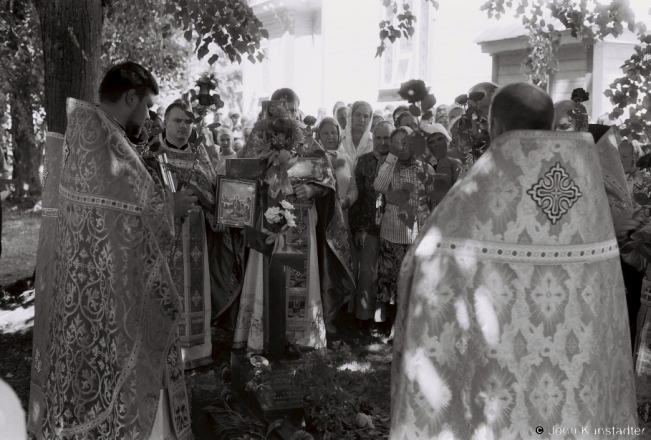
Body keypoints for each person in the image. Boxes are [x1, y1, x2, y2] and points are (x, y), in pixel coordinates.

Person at [390, 82, 637, 438]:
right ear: (549, 123)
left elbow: (424, 258)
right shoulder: (585, 189)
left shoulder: (482, 191)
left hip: (497, 395)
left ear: (496, 128)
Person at [29, 61, 192, 440]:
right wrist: (171, 207)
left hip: (85, 285)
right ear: (131, 97)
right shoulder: (108, 146)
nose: (150, 116)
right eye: (148, 106)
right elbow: (136, 216)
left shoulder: (86, 135)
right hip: (110, 294)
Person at [235, 87, 355, 346]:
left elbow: (327, 179)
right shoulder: (260, 137)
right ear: (271, 110)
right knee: (266, 272)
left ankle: (301, 337)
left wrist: (311, 188)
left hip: (301, 219)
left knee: (299, 274)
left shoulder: (308, 141)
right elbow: (241, 174)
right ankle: (263, 335)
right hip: (268, 218)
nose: (288, 115)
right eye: (282, 109)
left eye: (293, 110)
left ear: (299, 110)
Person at [150, 101, 217, 370]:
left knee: (194, 289)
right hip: (162, 234)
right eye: (177, 121)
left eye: (188, 122)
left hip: (195, 233)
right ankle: (164, 350)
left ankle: (196, 353)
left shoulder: (201, 155)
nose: (183, 127)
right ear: (165, 122)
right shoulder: (152, 153)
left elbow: (213, 192)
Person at [373, 126, 434, 337]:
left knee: (413, 282)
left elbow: (430, 202)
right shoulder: (387, 165)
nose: (402, 147)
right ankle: (394, 326)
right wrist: (391, 157)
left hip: (417, 236)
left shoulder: (425, 168)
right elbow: (379, 187)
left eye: (406, 142)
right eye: (397, 142)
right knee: (391, 283)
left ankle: (414, 326)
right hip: (391, 234)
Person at [349, 120, 394, 329]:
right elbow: (357, 197)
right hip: (368, 225)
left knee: (387, 274)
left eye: (387, 137)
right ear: (373, 138)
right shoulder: (364, 160)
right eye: (379, 137)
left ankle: (383, 319)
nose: (383, 142)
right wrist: (357, 229)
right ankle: (363, 318)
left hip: (394, 228)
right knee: (367, 274)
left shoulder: (398, 162)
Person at [317, 117, 358, 214]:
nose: (330, 137)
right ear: (319, 136)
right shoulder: (314, 159)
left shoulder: (346, 159)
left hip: (342, 214)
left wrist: (346, 201)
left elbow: (353, 188)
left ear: (339, 135)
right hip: (320, 215)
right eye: (325, 133)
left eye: (333, 133)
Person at [423, 122, 461, 199]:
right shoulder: (427, 166)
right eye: (432, 142)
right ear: (428, 147)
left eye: (440, 139)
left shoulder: (458, 156)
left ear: (447, 139)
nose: (437, 144)